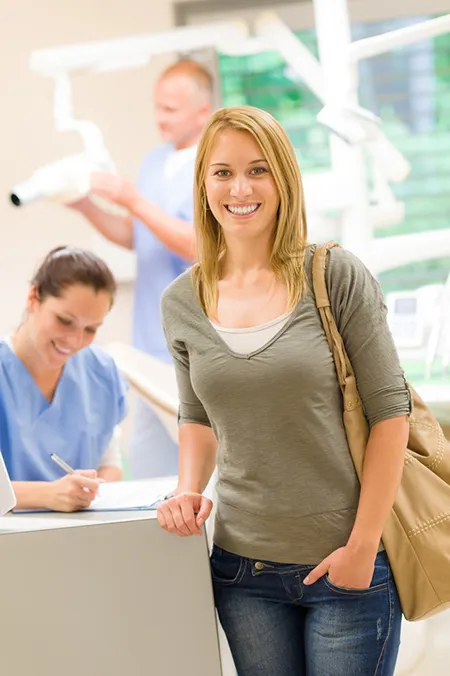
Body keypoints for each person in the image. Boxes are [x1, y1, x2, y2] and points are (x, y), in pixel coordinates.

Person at [157, 106, 412, 675]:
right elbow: (196, 415)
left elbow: (390, 414)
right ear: (203, 184)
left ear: (284, 179)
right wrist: (187, 488)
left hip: (346, 563)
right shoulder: (180, 300)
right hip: (243, 573)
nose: (239, 188)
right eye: (222, 172)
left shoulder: (334, 274)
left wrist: (363, 547)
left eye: (258, 170)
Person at [68, 59, 214, 480]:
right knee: (150, 473)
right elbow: (137, 236)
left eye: (169, 109)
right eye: (157, 107)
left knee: (202, 477)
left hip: (197, 347)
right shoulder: (154, 161)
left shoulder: (212, 165)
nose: (158, 118)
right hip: (150, 345)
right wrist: (84, 205)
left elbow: (199, 244)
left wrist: (132, 200)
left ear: (202, 112)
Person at [0, 247, 128, 512]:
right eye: (64, 320)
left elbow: (111, 461)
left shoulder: (100, 372)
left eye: (90, 329)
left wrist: (93, 491)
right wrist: (47, 495)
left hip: (80, 538)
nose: (75, 341)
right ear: (34, 298)